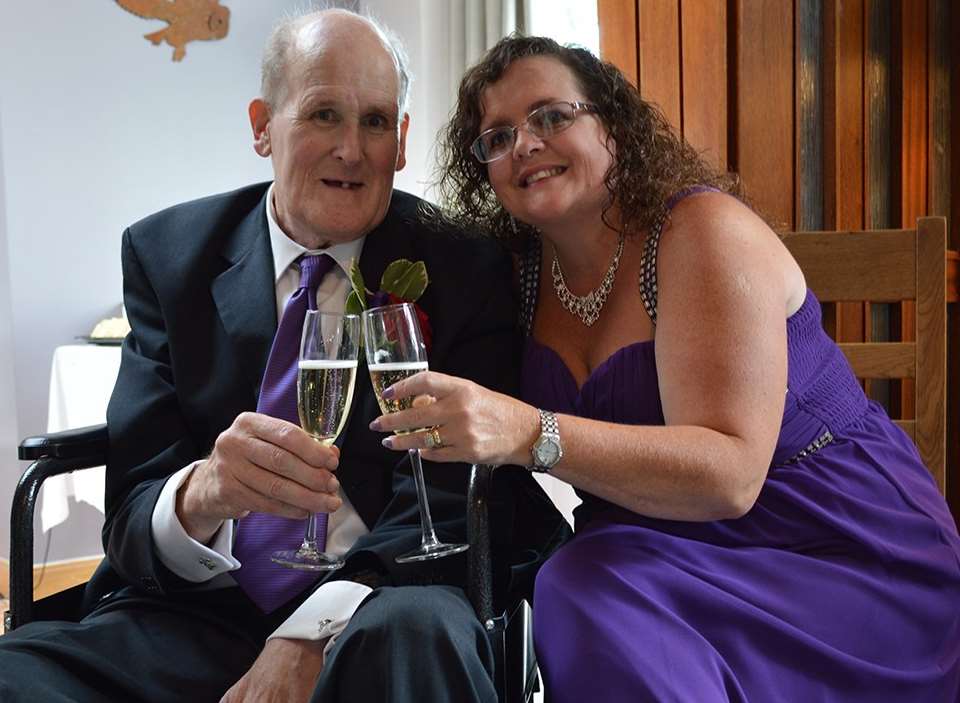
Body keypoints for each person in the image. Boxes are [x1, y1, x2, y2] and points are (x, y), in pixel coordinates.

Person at [369, 35, 960, 701]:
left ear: (615, 125)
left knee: (581, 582)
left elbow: (731, 477)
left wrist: (529, 431)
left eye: (552, 116)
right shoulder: (517, 275)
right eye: (497, 137)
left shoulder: (701, 232)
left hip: (829, 544)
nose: (525, 144)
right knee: (575, 580)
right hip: (657, 551)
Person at [0, 13, 567, 703]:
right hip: (197, 611)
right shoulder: (168, 256)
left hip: (386, 596)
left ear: (402, 141)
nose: (352, 151)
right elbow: (133, 505)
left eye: (376, 122)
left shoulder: (460, 264)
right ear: (262, 124)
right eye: (324, 114)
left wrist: (310, 629)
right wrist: (204, 490)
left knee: (415, 635)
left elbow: (456, 498)